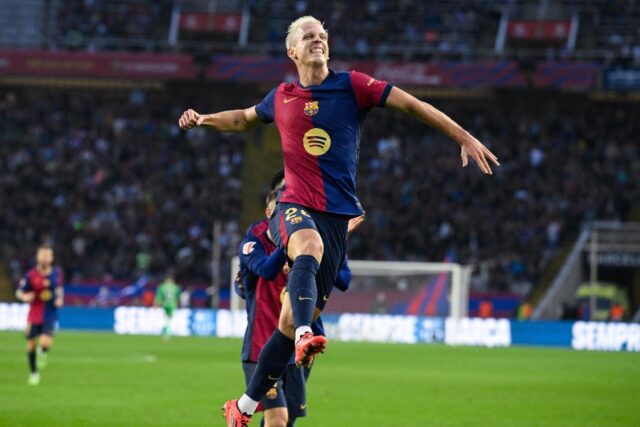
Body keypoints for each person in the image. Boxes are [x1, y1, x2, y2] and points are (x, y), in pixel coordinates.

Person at [178, 15, 498, 426]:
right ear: (291, 51)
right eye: (309, 36)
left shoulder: (354, 86)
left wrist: (463, 136)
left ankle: (240, 407)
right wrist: (203, 119)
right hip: (295, 206)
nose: (318, 41)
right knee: (305, 257)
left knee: (286, 320)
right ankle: (306, 335)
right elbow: (241, 118)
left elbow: (413, 106)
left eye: (323, 36)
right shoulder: (281, 96)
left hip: (336, 216)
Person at [237, 186, 356, 427]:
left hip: (296, 349)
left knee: (288, 419)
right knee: (277, 420)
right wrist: (300, 248)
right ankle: (240, 409)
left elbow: (342, 280)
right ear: (270, 214)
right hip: (261, 344)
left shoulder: (313, 238)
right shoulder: (254, 244)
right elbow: (265, 272)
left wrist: (333, 242)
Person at [15, 243, 64, 386]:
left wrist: (60, 299)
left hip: (50, 313)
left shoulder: (56, 273)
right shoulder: (30, 275)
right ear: (37, 257)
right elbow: (19, 292)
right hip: (34, 313)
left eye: (47, 255)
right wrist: (25, 297)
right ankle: (34, 373)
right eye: (42, 255)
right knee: (30, 345)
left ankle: (42, 351)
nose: (45, 258)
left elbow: (59, 288)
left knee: (45, 342)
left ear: (52, 258)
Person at [154, 274, 181, 339]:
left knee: (165, 318)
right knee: (170, 318)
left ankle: (166, 331)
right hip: (172, 304)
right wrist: (178, 303)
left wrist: (156, 303)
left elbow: (159, 296)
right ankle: (168, 332)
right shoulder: (176, 287)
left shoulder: (162, 286)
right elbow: (178, 297)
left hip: (164, 304)